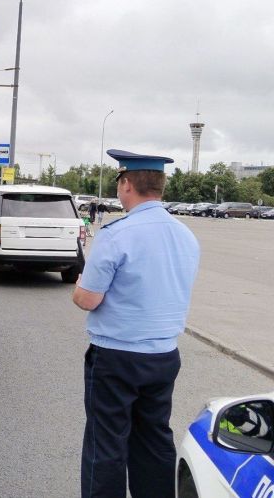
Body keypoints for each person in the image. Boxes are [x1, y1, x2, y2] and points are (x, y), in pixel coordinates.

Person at [72, 149, 200, 498]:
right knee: (154, 440)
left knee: (107, 444)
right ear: (159, 187)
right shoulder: (186, 236)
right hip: (164, 356)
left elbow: (89, 299)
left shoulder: (116, 234)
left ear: (127, 183)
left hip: (116, 358)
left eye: (119, 183)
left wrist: (79, 286)